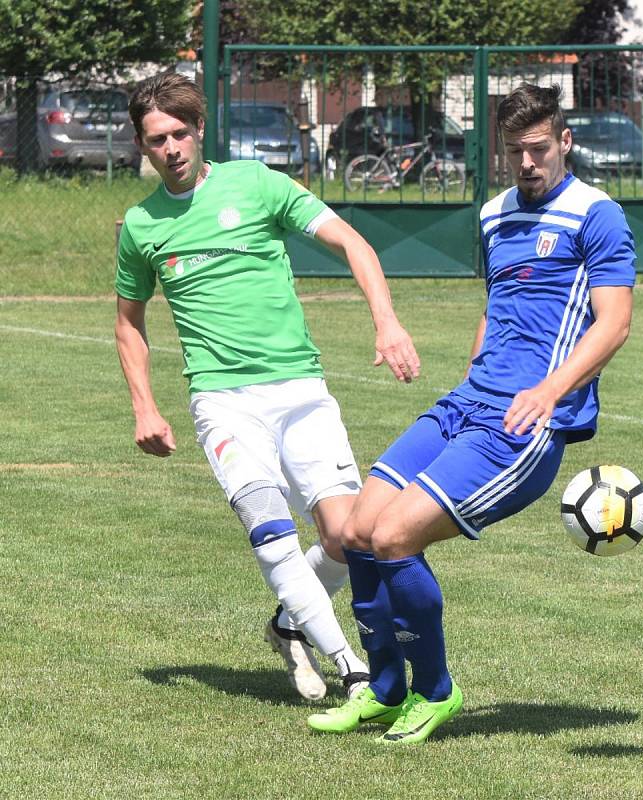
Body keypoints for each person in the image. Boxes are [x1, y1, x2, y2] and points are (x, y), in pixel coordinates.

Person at [307, 83, 636, 743]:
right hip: (468, 401)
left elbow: (615, 323)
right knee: (354, 532)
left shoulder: (597, 215)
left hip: (525, 425)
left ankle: (436, 691)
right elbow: (497, 304)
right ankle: (383, 688)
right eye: (514, 150)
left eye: (538, 148)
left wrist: (548, 391)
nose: (526, 162)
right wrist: (473, 372)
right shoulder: (493, 215)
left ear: (564, 141)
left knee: (395, 537)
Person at [114, 72, 420, 703]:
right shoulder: (141, 226)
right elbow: (129, 323)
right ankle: (351, 666)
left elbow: (351, 242)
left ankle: (289, 623)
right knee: (269, 525)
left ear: (199, 131)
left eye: (178, 133)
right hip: (222, 401)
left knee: (347, 536)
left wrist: (386, 321)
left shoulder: (257, 184)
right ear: (143, 149)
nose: (169, 148)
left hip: (301, 390)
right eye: (155, 140)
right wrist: (145, 405)